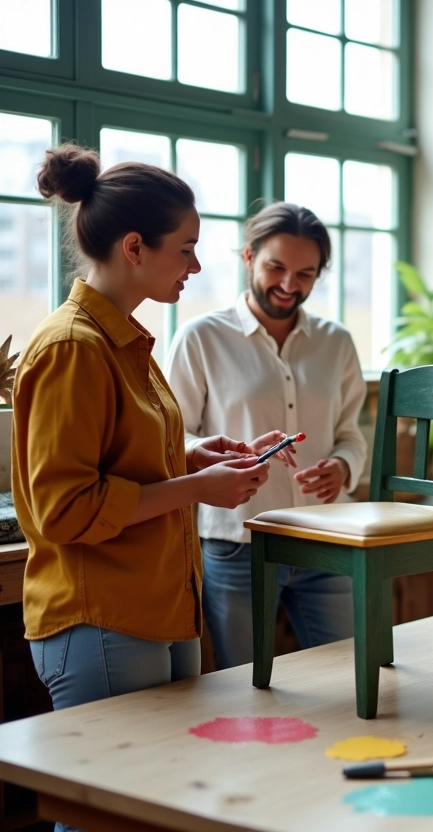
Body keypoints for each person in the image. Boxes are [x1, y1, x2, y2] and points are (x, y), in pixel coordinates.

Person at [11, 145, 273, 722]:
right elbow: (66, 508)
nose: (196, 267)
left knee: (155, 805)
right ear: (134, 247)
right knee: (105, 813)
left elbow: (119, 459)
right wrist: (198, 486)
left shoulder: (125, 341)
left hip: (156, 609)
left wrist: (190, 457)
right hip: (101, 618)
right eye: (186, 250)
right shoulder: (73, 348)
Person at [166, 203, 367, 670]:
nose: (288, 285)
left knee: (349, 673)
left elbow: (351, 435)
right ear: (249, 257)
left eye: (306, 273)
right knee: (245, 681)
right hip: (238, 543)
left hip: (328, 539)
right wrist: (218, 454)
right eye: (276, 267)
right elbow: (173, 436)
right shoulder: (201, 338)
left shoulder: (336, 343)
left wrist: (343, 466)